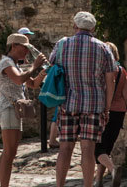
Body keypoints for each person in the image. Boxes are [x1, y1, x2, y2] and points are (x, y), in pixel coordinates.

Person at [48, 11, 117, 187]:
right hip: (94, 105)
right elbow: (111, 81)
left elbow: (51, 65)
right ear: (93, 28)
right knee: (88, 149)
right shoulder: (103, 48)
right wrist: (107, 108)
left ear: (74, 26)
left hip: (67, 103)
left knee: (65, 149)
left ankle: (59, 185)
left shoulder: (62, 44)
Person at [0, 33, 47, 187]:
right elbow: (19, 79)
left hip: (13, 110)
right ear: (14, 46)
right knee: (9, 153)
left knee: (8, 152)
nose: (26, 52)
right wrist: (34, 66)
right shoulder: (6, 63)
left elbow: (33, 84)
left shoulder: (14, 65)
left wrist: (42, 73)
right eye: (24, 48)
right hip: (8, 109)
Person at [94, 42, 127, 186]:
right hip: (119, 113)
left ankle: (112, 169)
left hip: (103, 110)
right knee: (106, 148)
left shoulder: (102, 70)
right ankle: (98, 180)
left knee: (97, 148)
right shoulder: (122, 71)